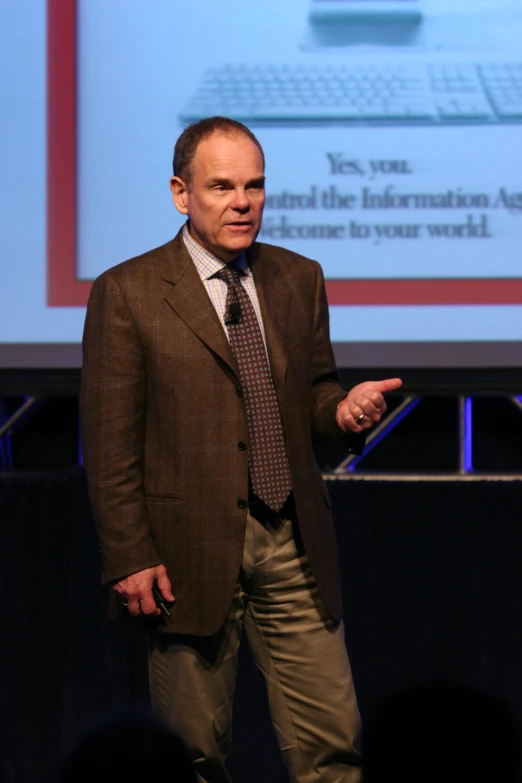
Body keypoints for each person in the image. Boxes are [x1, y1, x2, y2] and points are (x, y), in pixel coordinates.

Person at [80, 116, 402, 782]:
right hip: (183, 551)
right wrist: (129, 555)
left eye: (254, 185)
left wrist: (343, 411)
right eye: (222, 186)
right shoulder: (129, 292)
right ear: (180, 193)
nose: (243, 201)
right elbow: (109, 444)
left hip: (291, 538)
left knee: (335, 746)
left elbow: (314, 395)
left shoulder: (297, 277)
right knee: (191, 756)